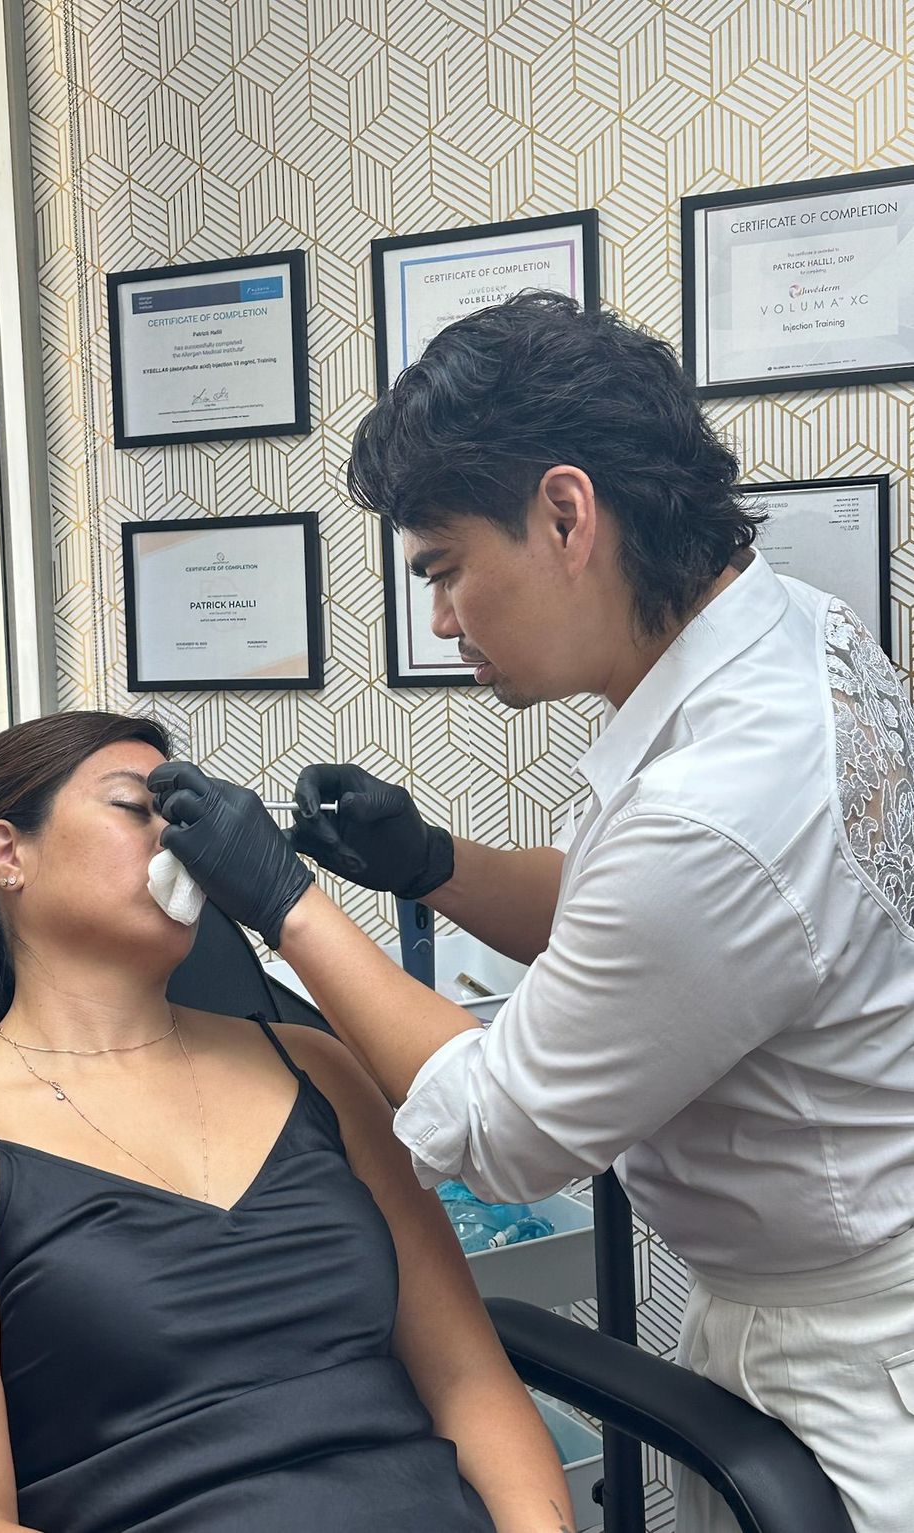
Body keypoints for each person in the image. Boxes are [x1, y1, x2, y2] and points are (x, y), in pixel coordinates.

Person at [147, 292, 914, 1533]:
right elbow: (652, 938)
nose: (441, 620)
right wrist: (432, 862)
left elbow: (501, 1130)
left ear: (565, 514)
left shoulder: (716, 804)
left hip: (858, 1375)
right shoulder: (787, 642)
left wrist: (288, 905)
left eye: (445, 570)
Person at [0, 710, 573, 1533]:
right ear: (9, 853)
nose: (180, 840)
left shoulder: (317, 1068)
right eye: (134, 808)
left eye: (184, 814)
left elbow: (469, 1379)